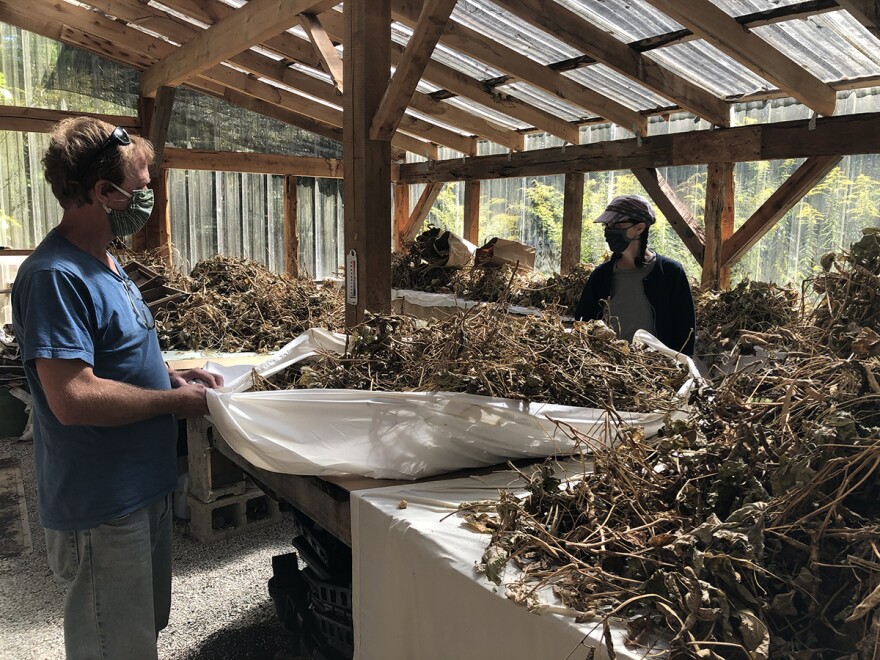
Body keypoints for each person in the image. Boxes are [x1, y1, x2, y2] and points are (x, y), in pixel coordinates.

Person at [11, 117, 223, 660]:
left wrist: (171, 376)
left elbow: (116, 358)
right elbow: (74, 398)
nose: (148, 197)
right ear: (103, 193)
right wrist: (176, 402)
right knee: (114, 646)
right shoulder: (56, 276)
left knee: (140, 632)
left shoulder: (108, 261)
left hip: (141, 488)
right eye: (142, 188)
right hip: (103, 502)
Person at [574, 194, 696, 356]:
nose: (609, 231)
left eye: (616, 225)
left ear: (639, 228)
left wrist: (679, 367)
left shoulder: (670, 273)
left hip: (656, 368)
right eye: (607, 225)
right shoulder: (601, 275)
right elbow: (583, 325)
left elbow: (685, 330)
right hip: (609, 367)